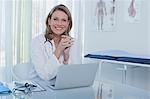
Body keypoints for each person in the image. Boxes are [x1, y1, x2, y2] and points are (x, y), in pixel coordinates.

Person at [31, 4, 79, 81]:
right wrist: (59, 50)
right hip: (39, 86)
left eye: (64, 20)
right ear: (49, 21)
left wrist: (66, 59)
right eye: (55, 19)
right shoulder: (37, 42)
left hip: (61, 87)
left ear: (68, 23)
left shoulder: (73, 42)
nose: (59, 24)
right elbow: (45, 76)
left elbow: (74, 75)